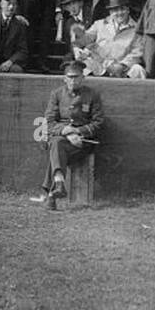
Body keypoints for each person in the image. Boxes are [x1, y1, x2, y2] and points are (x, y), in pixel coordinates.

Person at [38, 60, 104, 211]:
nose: (73, 80)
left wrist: (78, 132)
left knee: (55, 146)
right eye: (70, 77)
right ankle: (57, 186)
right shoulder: (57, 94)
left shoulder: (92, 95)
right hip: (63, 139)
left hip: (83, 143)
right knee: (57, 143)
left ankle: (52, 189)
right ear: (64, 78)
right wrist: (66, 131)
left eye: (77, 77)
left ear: (83, 78)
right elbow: (49, 122)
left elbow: (98, 122)